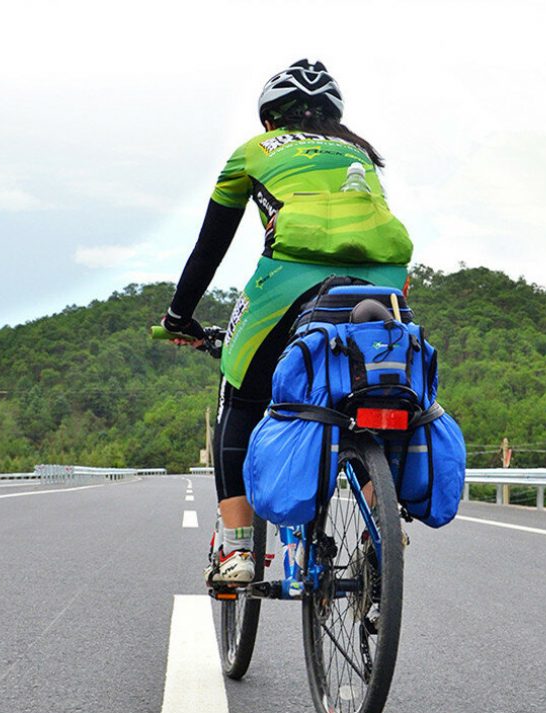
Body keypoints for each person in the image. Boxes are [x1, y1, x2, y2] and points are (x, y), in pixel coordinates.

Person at [162, 59, 413, 587]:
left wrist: (178, 317)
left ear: (270, 120)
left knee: (243, 397)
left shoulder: (252, 153)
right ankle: (379, 531)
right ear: (332, 117)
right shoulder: (361, 155)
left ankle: (235, 551)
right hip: (384, 292)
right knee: (380, 395)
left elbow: (209, 248)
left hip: (290, 286)